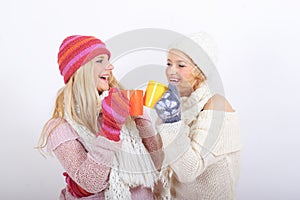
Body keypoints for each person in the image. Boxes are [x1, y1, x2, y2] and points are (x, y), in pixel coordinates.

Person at [37, 35, 163, 200]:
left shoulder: (123, 110)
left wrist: (141, 117)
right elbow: (91, 183)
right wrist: (110, 128)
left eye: (108, 60)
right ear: (80, 70)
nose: (110, 67)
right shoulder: (59, 128)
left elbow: (158, 164)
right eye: (100, 60)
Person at [154, 32, 242, 199]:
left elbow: (188, 171)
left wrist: (171, 121)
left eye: (181, 65)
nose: (171, 71)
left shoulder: (217, 106)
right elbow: (158, 158)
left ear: (201, 71)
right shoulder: (178, 103)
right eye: (169, 63)